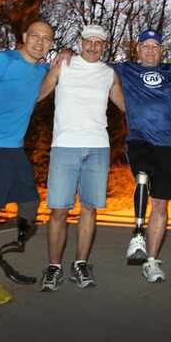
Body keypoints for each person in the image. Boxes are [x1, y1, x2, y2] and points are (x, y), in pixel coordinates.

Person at [111, 30, 171, 282]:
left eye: (155, 46)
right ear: (138, 49)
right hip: (140, 139)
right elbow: (91, 64)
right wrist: (66, 54)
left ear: (161, 50)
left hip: (169, 144)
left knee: (161, 204)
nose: (150, 50)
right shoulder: (125, 70)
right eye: (146, 46)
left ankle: (151, 261)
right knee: (142, 174)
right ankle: (137, 234)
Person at [0, 20, 57, 303]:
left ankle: (13, 245)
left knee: (31, 203)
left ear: (50, 45)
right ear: (24, 37)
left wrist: (58, 68)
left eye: (46, 39)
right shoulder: (3, 60)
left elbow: (37, 95)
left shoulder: (43, 69)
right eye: (35, 36)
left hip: (14, 150)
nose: (39, 42)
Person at [39, 25, 125, 291]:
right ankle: (54, 267)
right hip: (65, 146)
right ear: (79, 42)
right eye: (89, 41)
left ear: (105, 46)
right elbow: (39, 95)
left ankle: (80, 264)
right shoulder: (63, 64)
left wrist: (169, 103)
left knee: (89, 208)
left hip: (98, 148)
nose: (94, 47)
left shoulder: (109, 74)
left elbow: (127, 105)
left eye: (99, 43)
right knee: (59, 210)